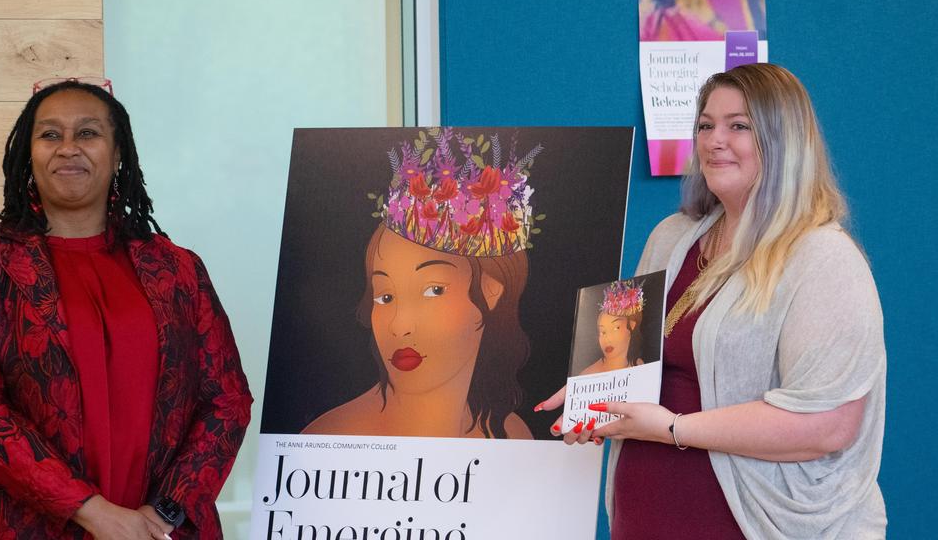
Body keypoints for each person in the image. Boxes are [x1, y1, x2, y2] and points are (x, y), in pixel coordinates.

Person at [541, 63, 886, 538]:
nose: (713, 140)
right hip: (644, 517)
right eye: (705, 125)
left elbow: (827, 426)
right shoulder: (671, 237)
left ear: (785, 141)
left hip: (754, 524)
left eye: (738, 126)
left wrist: (673, 428)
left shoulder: (823, 258)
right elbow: (633, 359)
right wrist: (593, 395)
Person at [0, 78, 252, 539]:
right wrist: (92, 511)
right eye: (50, 134)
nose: (68, 148)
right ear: (28, 153)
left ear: (118, 154)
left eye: (88, 133)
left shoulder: (178, 269)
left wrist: (163, 516)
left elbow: (227, 400)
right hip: (23, 527)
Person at [302, 130, 537, 440]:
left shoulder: (511, 438)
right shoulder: (330, 441)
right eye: (385, 296)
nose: (400, 326)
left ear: (492, 291)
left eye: (433, 290)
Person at [578, 280, 646, 375]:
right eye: (603, 332)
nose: (607, 339)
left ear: (631, 325)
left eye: (616, 328)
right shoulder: (588, 375)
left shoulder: (639, 365)